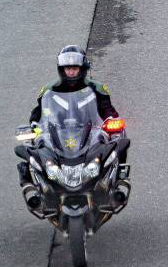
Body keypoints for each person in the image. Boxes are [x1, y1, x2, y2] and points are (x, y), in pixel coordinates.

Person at [19, 45, 129, 205]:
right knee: (31, 148)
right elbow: (37, 114)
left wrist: (111, 120)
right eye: (67, 68)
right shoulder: (48, 90)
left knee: (119, 138)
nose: (70, 72)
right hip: (58, 132)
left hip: (91, 131)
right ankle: (33, 186)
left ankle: (118, 178)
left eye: (74, 68)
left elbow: (107, 110)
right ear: (61, 69)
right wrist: (35, 126)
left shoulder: (97, 88)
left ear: (82, 68)